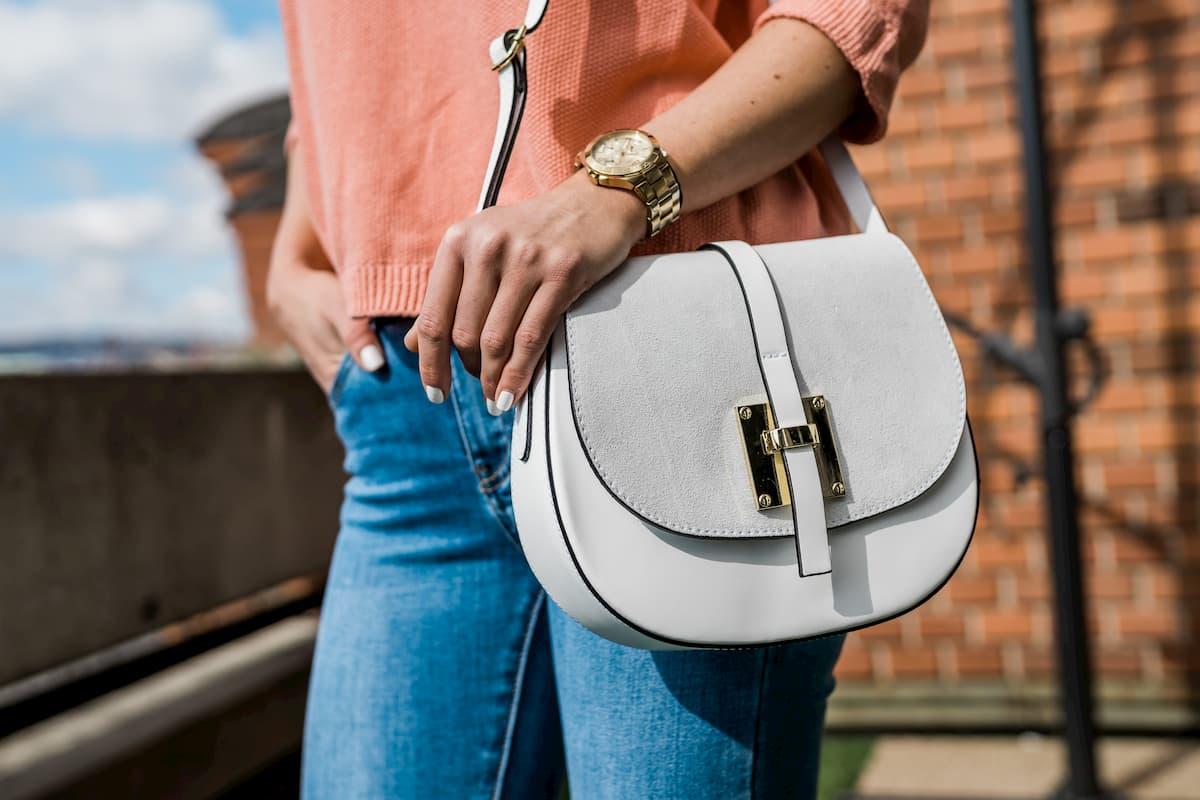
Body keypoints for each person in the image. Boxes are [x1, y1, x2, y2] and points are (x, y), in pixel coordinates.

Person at [270, 1, 928, 797]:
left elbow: (851, 13)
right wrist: (297, 241)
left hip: (674, 348)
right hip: (408, 412)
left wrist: (624, 185)